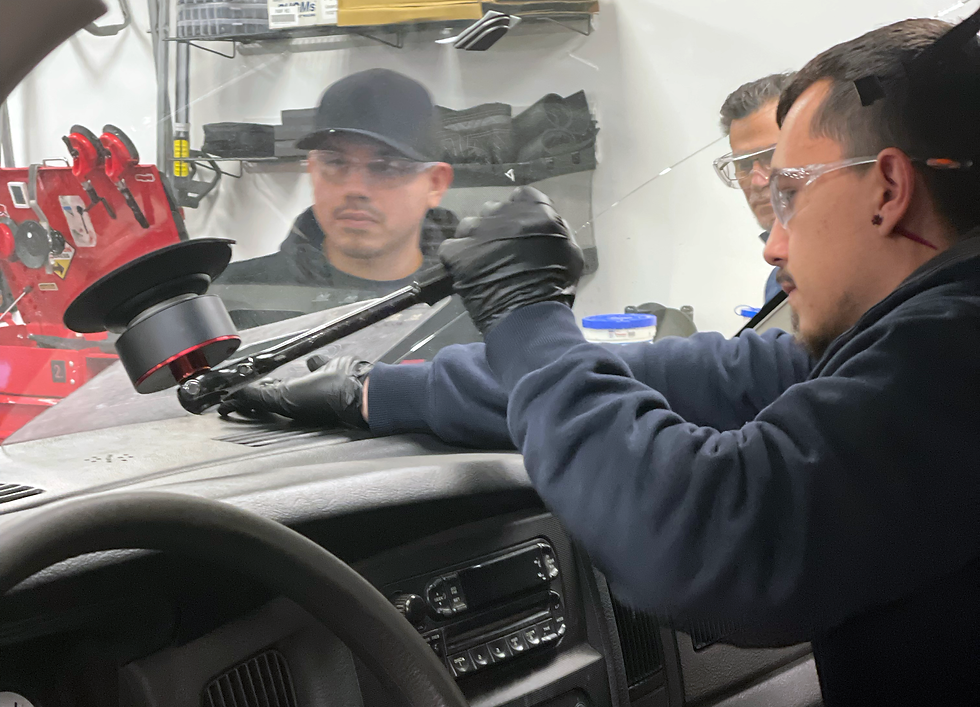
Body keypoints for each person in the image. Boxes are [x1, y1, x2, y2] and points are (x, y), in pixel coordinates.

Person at [220, 14, 980, 704]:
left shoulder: (955, 349)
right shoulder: (898, 341)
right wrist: (374, 392)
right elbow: (696, 378)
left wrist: (524, 310)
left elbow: (713, 536)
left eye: (787, 195)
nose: (773, 241)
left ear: (888, 188)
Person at [220, 69, 455, 302]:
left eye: (385, 167)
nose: (355, 189)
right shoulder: (232, 300)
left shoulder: (474, 301)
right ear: (312, 170)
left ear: (435, 184)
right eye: (335, 162)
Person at [714, 73, 796, 302]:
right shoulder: (778, 283)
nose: (757, 181)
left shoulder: (847, 269)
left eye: (772, 156)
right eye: (744, 164)